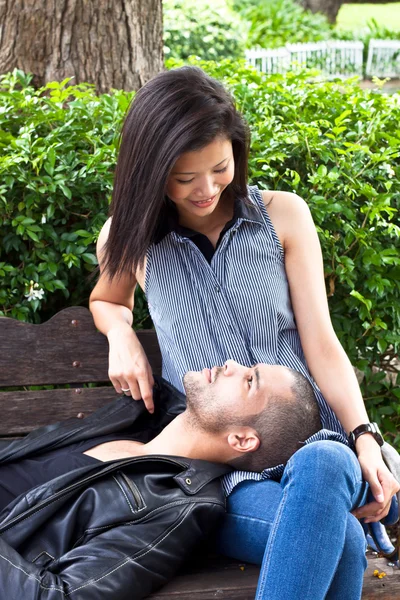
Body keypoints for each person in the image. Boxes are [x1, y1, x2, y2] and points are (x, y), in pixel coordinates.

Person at [89, 66, 400, 599]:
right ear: (152, 171)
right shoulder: (129, 236)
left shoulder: (283, 217)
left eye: (219, 168)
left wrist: (364, 438)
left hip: (327, 440)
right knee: (340, 533)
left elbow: (322, 343)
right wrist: (120, 335)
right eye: (184, 178)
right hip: (222, 475)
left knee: (327, 469)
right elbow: (107, 300)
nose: (206, 189)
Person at [0, 361, 321, 599]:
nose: (231, 365)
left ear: (241, 439)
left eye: (250, 380)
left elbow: (61, 596)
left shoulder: (174, 507)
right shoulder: (137, 415)